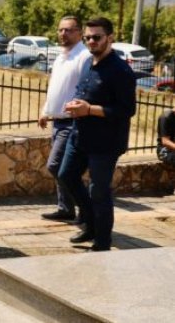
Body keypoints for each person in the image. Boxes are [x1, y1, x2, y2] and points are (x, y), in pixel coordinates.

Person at [59, 17, 136, 252]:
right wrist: (77, 105)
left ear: (110, 38)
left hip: (106, 142)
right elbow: (87, 94)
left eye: (97, 37)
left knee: (99, 190)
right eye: (88, 37)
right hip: (80, 135)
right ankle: (90, 223)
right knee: (66, 175)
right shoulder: (87, 63)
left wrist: (89, 109)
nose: (91, 41)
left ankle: (102, 242)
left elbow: (126, 110)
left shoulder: (120, 70)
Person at [37, 16, 91, 222]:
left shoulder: (83, 56)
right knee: (61, 168)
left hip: (72, 121)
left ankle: (83, 207)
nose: (63, 34)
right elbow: (55, 87)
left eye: (68, 30)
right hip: (57, 120)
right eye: (60, 30)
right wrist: (45, 111)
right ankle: (66, 208)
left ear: (79, 33)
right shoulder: (61, 57)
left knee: (56, 165)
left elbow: (84, 88)